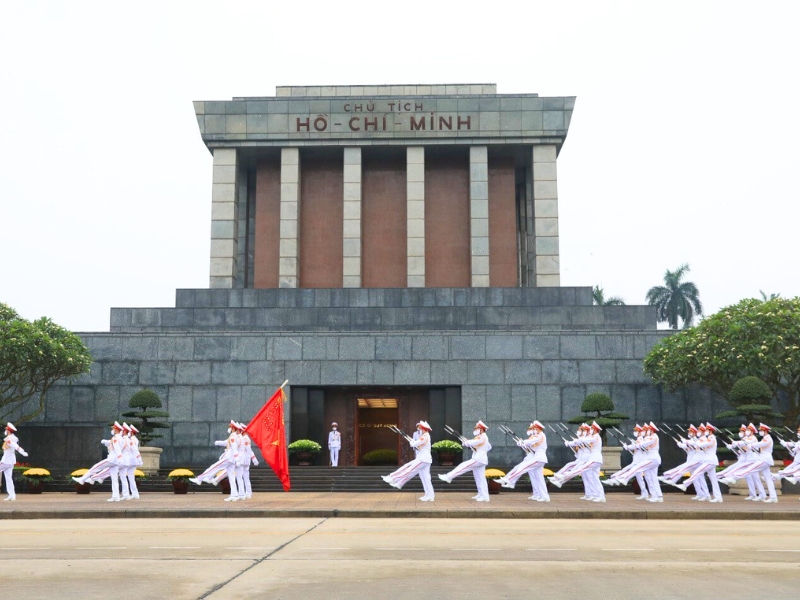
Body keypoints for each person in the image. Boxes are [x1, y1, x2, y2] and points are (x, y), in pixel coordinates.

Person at [190, 420, 244, 501]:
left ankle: (199, 479)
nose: (229, 428)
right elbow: (227, 443)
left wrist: (237, 458)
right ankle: (234, 494)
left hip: (229, 457)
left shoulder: (233, 437)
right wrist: (218, 442)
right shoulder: (236, 437)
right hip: (232, 458)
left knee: (214, 467)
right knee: (231, 476)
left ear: (233, 428)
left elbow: (234, 447)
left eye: (230, 427)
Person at [438, 420, 492, 502]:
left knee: (463, 466)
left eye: (477, 428)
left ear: (481, 429)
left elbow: (475, 442)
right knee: (480, 478)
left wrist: (467, 443)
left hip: (478, 458)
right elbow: (489, 447)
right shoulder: (485, 437)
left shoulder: (481, 436)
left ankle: (449, 477)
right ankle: (483, 495)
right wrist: (473, 446)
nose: (475, 429)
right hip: (481, 458)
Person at [495, 421, 549, 501]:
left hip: (538, 458)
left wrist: (523, 442)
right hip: (539, 457)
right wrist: (523, 444)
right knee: (539, 479)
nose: (533, 430)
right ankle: (545, 497)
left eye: (534, 428)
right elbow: (531, 446)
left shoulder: (540, 435)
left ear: (538, 428)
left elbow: (531, 442)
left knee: (523, 467)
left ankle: (509, 479)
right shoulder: (538, 435)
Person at [382, 421, 435, 501]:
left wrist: (412, 442)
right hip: (424, 459)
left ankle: (393, 478)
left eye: (420, 428)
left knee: (409, 469)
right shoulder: (425, 435)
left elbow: (414, 444)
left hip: (423, 459)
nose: (419, 429)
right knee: (425, 478)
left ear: (423, 429)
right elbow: (416, 445)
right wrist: (413, 442)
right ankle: (429, 495)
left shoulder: (424, 436)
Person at [73, 421, 125, 502]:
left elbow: (117, 448)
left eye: (113, 428)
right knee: (114, 478)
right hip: (116, 460)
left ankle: (82, 479)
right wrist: (106, 442)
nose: (112, 430)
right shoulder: (120, 438)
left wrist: (119, 456)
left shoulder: (115, 438)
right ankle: (116, 496)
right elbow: (115, 445)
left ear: (116, 429)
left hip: (112, 459)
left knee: (95, 467)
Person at [1, 423, 29, 501]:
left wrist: (22, 451)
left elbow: (14, 445)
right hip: (10, 461)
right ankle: (12, 495)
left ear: (8, 431)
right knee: (8, 478)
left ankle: (12, 495)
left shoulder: (9, 439)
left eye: (6, 429)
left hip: (6, 461)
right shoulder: (12, 438)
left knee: (9, 478)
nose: (5, 430)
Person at [773, 423, 800, 488]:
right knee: (790, 470)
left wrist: (796, 448)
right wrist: (784, 443)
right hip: (797, 460)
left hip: (798, 461)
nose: (798, 432)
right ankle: (775, 477)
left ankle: (780, 475)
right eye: (798, 431)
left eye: (799, 431)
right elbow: (793, 444)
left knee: (793, 471)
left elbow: (796, 446)